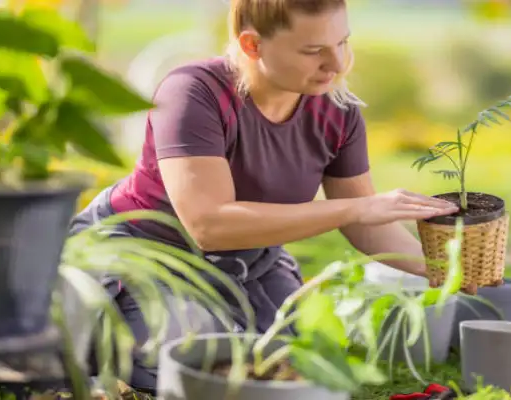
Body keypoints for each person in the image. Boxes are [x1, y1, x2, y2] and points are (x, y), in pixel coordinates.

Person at [68, 0, 458, 392]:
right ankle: (92, 327)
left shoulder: (338, 110)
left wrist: (440, 268)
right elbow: (210, 225)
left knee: (301, 360)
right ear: (253, 45)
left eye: (342, 42)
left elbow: (365, 224)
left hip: (248, 262)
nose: (337, 64)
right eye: (313, 51)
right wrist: (357, 207)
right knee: (195, 358)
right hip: (147, 253)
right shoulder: (193, 92)